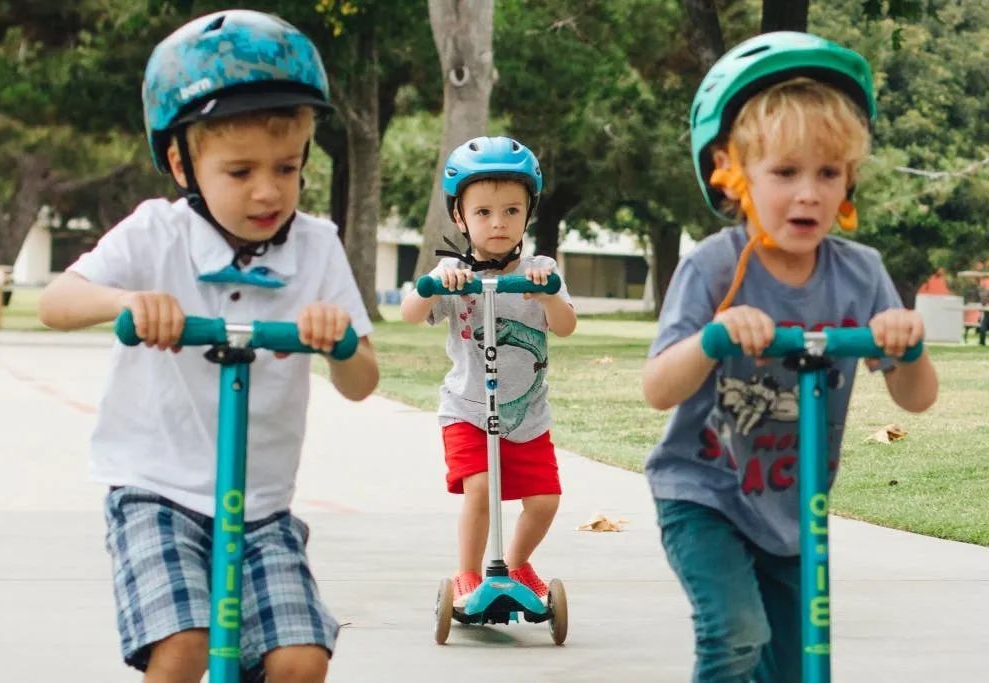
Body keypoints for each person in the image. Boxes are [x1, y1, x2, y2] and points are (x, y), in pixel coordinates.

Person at [37, 10, 378, 683]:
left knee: (301, 661)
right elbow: (55, 302)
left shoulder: (317, 247)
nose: (267, 189)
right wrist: (127, 302)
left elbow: (363, 377)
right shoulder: (154, 234)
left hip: (261, 505)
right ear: (180, 161)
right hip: (155, 489)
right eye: (240, 169)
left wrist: (339, 343)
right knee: (184, 646)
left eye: (287, 167)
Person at [640, 32, 938, 682]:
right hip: (706, 494)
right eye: (785, 171)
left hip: (795, 506)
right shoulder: (712, 268)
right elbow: (658, 387)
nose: (808, 193)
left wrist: (905, 344)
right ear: (732, 170)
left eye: (828, 172)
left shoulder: (861, 274)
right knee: (737, 634)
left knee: (797, 661)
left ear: (848, 180)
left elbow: (914, 396)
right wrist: (714, 337)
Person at [400, 136, 577, 607]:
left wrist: (549, 297)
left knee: (544, 502)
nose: (498, 223)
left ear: (528, 214)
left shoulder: (541, 270)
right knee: (479, 491)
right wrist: (434, 284)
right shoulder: (453, 274)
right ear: (459, 216)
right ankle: (467, 576)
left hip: (527, 416)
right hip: (468, 410)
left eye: (511, 211)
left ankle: (517, 564)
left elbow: (566, 326)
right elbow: (410, 313)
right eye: (483, 212)